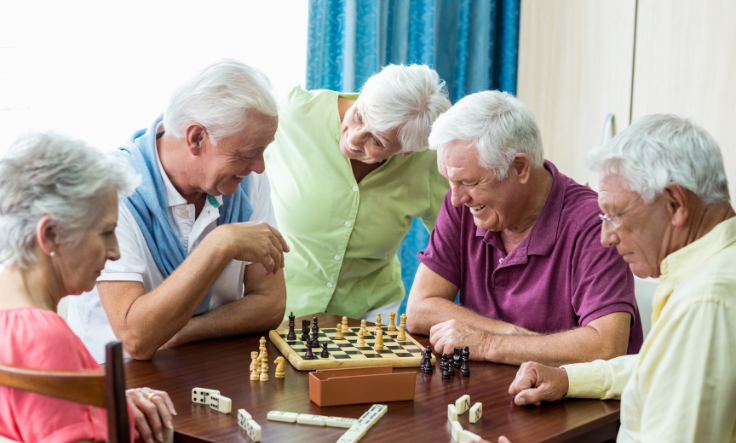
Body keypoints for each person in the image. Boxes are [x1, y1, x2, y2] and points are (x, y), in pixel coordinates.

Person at [507, 115, 736, 442]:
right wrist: (567, 378)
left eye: (614, 214)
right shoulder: (719, 266)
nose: (606, 237)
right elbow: (664, 370)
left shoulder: (705, 303)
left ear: (675, 204)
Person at [67, 59, 289, 362]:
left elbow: (270, 303)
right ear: (196, 138)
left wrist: (179, 332)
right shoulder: (108, 189)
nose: (259, 166)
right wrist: (220, 244)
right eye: (249, 153)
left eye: (264, 150)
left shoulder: (246, 181)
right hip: (121, 384)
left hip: (207, 367)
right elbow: (137, 337)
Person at [406, 90, 643, 366]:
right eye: (450, 180)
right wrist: (509, 334)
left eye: (468, 182)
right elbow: (420, 309)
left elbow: (606, 347)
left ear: (519, 167)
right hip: (495, 390)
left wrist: (487, 343)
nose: (456, 198)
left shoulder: (592, 225)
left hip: (581, 405)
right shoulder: (462, 205)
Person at [0, 133, 176, 443]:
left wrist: (106, 404)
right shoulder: (46, 339)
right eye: (106, 232)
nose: (115, 252)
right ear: (51, 234)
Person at [264, 64, 451, 320]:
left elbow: (456, 242)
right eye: (360, 116)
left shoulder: (428, 161)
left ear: (405, 151)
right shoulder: (294, 114)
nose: (353, 139)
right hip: (280, 305)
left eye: (377, 141)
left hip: (370, 315)